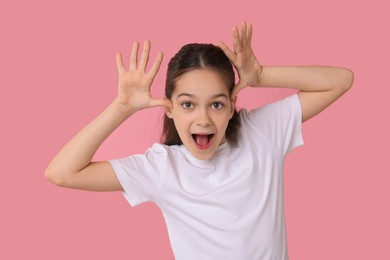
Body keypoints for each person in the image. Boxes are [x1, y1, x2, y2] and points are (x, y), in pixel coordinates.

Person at [45, 22, 354, 259]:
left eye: (216, 104)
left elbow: (341, 81)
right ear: (170, 107)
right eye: (188, 104)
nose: (203, 119)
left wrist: (260, 75)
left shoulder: (262, 131)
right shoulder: (162, 168)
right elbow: (61, 173)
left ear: (233, 104)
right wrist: (121, 108)